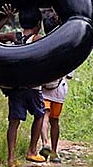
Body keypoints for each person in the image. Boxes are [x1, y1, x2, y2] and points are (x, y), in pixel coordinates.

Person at [0, 6, 47, 167]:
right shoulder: (39, 39)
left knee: (14, 122)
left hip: (15, 87)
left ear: (20, 21)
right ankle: (32, 151)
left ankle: (11, 159)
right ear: (39, 23)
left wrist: (5, 19)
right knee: (39, 115)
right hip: (32, 86)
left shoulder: (14, 36)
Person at [38, 15, 72, 164]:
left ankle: (45, 143)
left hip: (43, 87)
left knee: (44, 116)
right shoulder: (65, 47)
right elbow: (69, 75)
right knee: (55, 121)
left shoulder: (39, 44)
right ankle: (54, 152)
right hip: (59, 89)